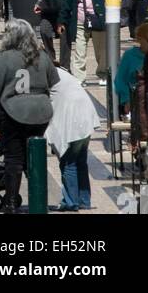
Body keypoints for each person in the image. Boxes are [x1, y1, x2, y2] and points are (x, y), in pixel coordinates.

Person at [0, 18, 59, 213]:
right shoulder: (42, 56)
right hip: (41, 112)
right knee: (34, 155)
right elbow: (54, 80)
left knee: (14, 159)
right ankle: (38, 199)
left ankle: (9, 202)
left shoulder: (7, 57)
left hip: (13, 112)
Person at [45, 66, 102, 212]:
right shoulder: (59, 71)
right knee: (80, 162)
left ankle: (71, 202)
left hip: (73, 120)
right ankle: (84, 201)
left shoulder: (45, 73)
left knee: (68, 162)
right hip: (85, 115)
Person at [59, 0, 108, 85]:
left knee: (101, 50)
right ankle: (79, 78)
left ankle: (103, 74)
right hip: (81, 21)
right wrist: (61, 22)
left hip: (98, 20)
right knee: (80, 51)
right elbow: (66, 5)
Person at [115, 20, 148, 115]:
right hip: (135, 101)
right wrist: (126, 100)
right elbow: (120, 81)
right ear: (139, 39)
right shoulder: (129, 56)